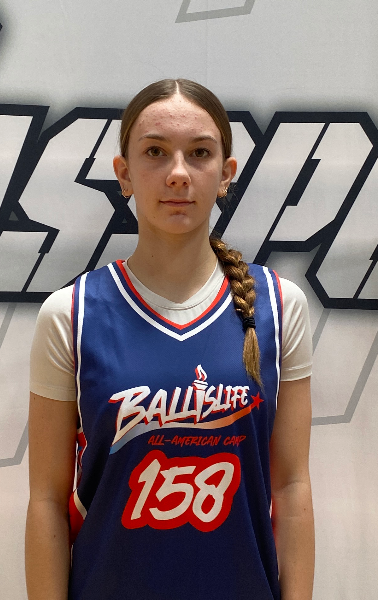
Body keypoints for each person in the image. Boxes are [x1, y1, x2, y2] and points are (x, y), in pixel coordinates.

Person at [26, 79, 314, 600]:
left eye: (199, 153)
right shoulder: (71, 314)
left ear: (226, 174)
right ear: (124, 174)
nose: (178, 173)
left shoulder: (279, 305)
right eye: (155, 152)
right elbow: (46, 499)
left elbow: (292, 488)